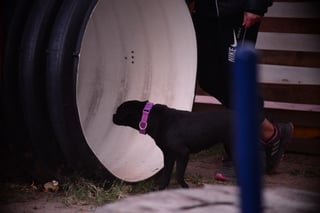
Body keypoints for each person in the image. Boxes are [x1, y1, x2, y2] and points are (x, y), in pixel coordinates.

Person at [187, 0, 294, 181]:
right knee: (208, 79)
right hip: (205, 13)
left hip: (236, 12)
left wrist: (256, 5)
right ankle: (269, 132)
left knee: (235, 79)